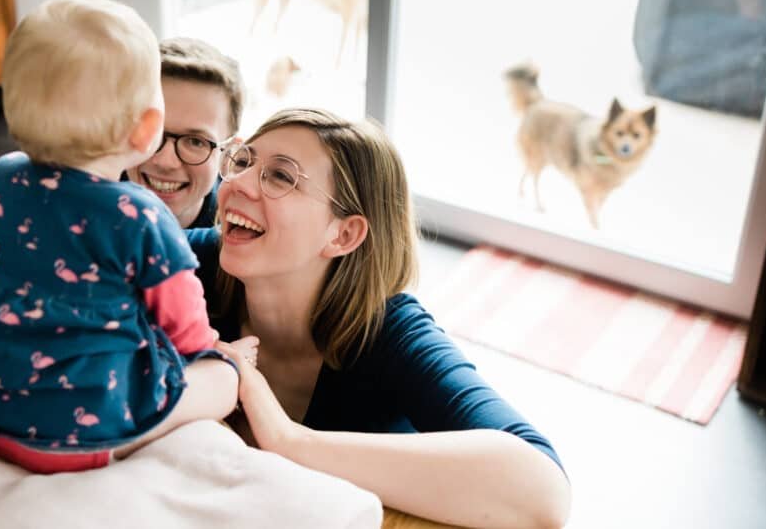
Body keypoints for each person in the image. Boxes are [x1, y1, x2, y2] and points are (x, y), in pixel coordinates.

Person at [190, 108, 571, 528]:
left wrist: (288, 439)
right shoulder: (188, 261)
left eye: (281, 176)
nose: (236, 183)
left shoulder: (392, 331)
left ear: (344, 234)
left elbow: (543, 494)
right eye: (243, 161)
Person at [0, 0, 256, 474]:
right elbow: (188, 335)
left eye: (195, 142)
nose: (166, 160)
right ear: (147, 127)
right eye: (165, 130)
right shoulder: (140, 216)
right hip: (76, 432)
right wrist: (219, 356)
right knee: (222, 377)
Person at [126, 37, 244, 228]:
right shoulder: (81, 205)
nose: (165, 162)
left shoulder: (240, 236)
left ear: (229, 156)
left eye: (196, 142)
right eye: (152, 130)